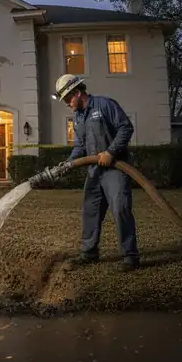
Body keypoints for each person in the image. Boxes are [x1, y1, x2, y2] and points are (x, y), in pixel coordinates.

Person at [50, 73, 140, 272]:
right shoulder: (78, 118)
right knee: (90, 212)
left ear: (78, 92)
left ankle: (130, 256)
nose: (66, 103)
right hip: (94, 173)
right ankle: (89, 253)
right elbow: (80, 146)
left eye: (67, 98)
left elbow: (126, 127)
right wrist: (68, 164)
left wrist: (110, 151)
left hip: (115, 169)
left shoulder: (105, 105)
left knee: (120, 210)